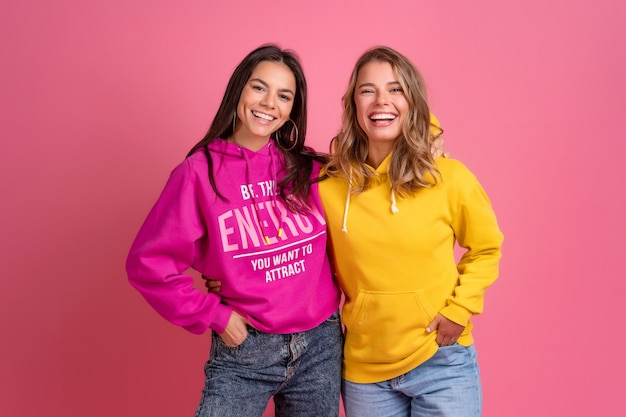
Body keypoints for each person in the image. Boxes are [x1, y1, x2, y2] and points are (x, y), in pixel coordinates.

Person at [125, 44, 344, 417]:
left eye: (284, 95)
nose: (270, 103)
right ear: (239, 89)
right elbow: (149, 263)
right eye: (259, 87)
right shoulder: (197, 173)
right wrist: (215, 315)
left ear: (292, 109)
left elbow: (381, 184)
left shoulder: (309, 170)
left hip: (321, 347)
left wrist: (431, 143)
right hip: (246, 349)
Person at [318, 46, 504, 417]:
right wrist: (230, 280)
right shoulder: (329, 185)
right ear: (353, 103)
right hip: (364, 371)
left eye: (396, 89)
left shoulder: (447, 177)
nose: (381, 101)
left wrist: (460, 309)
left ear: (413, 101)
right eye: (367, 90)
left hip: (441, 362)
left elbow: (486, 248)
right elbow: (293, 245)